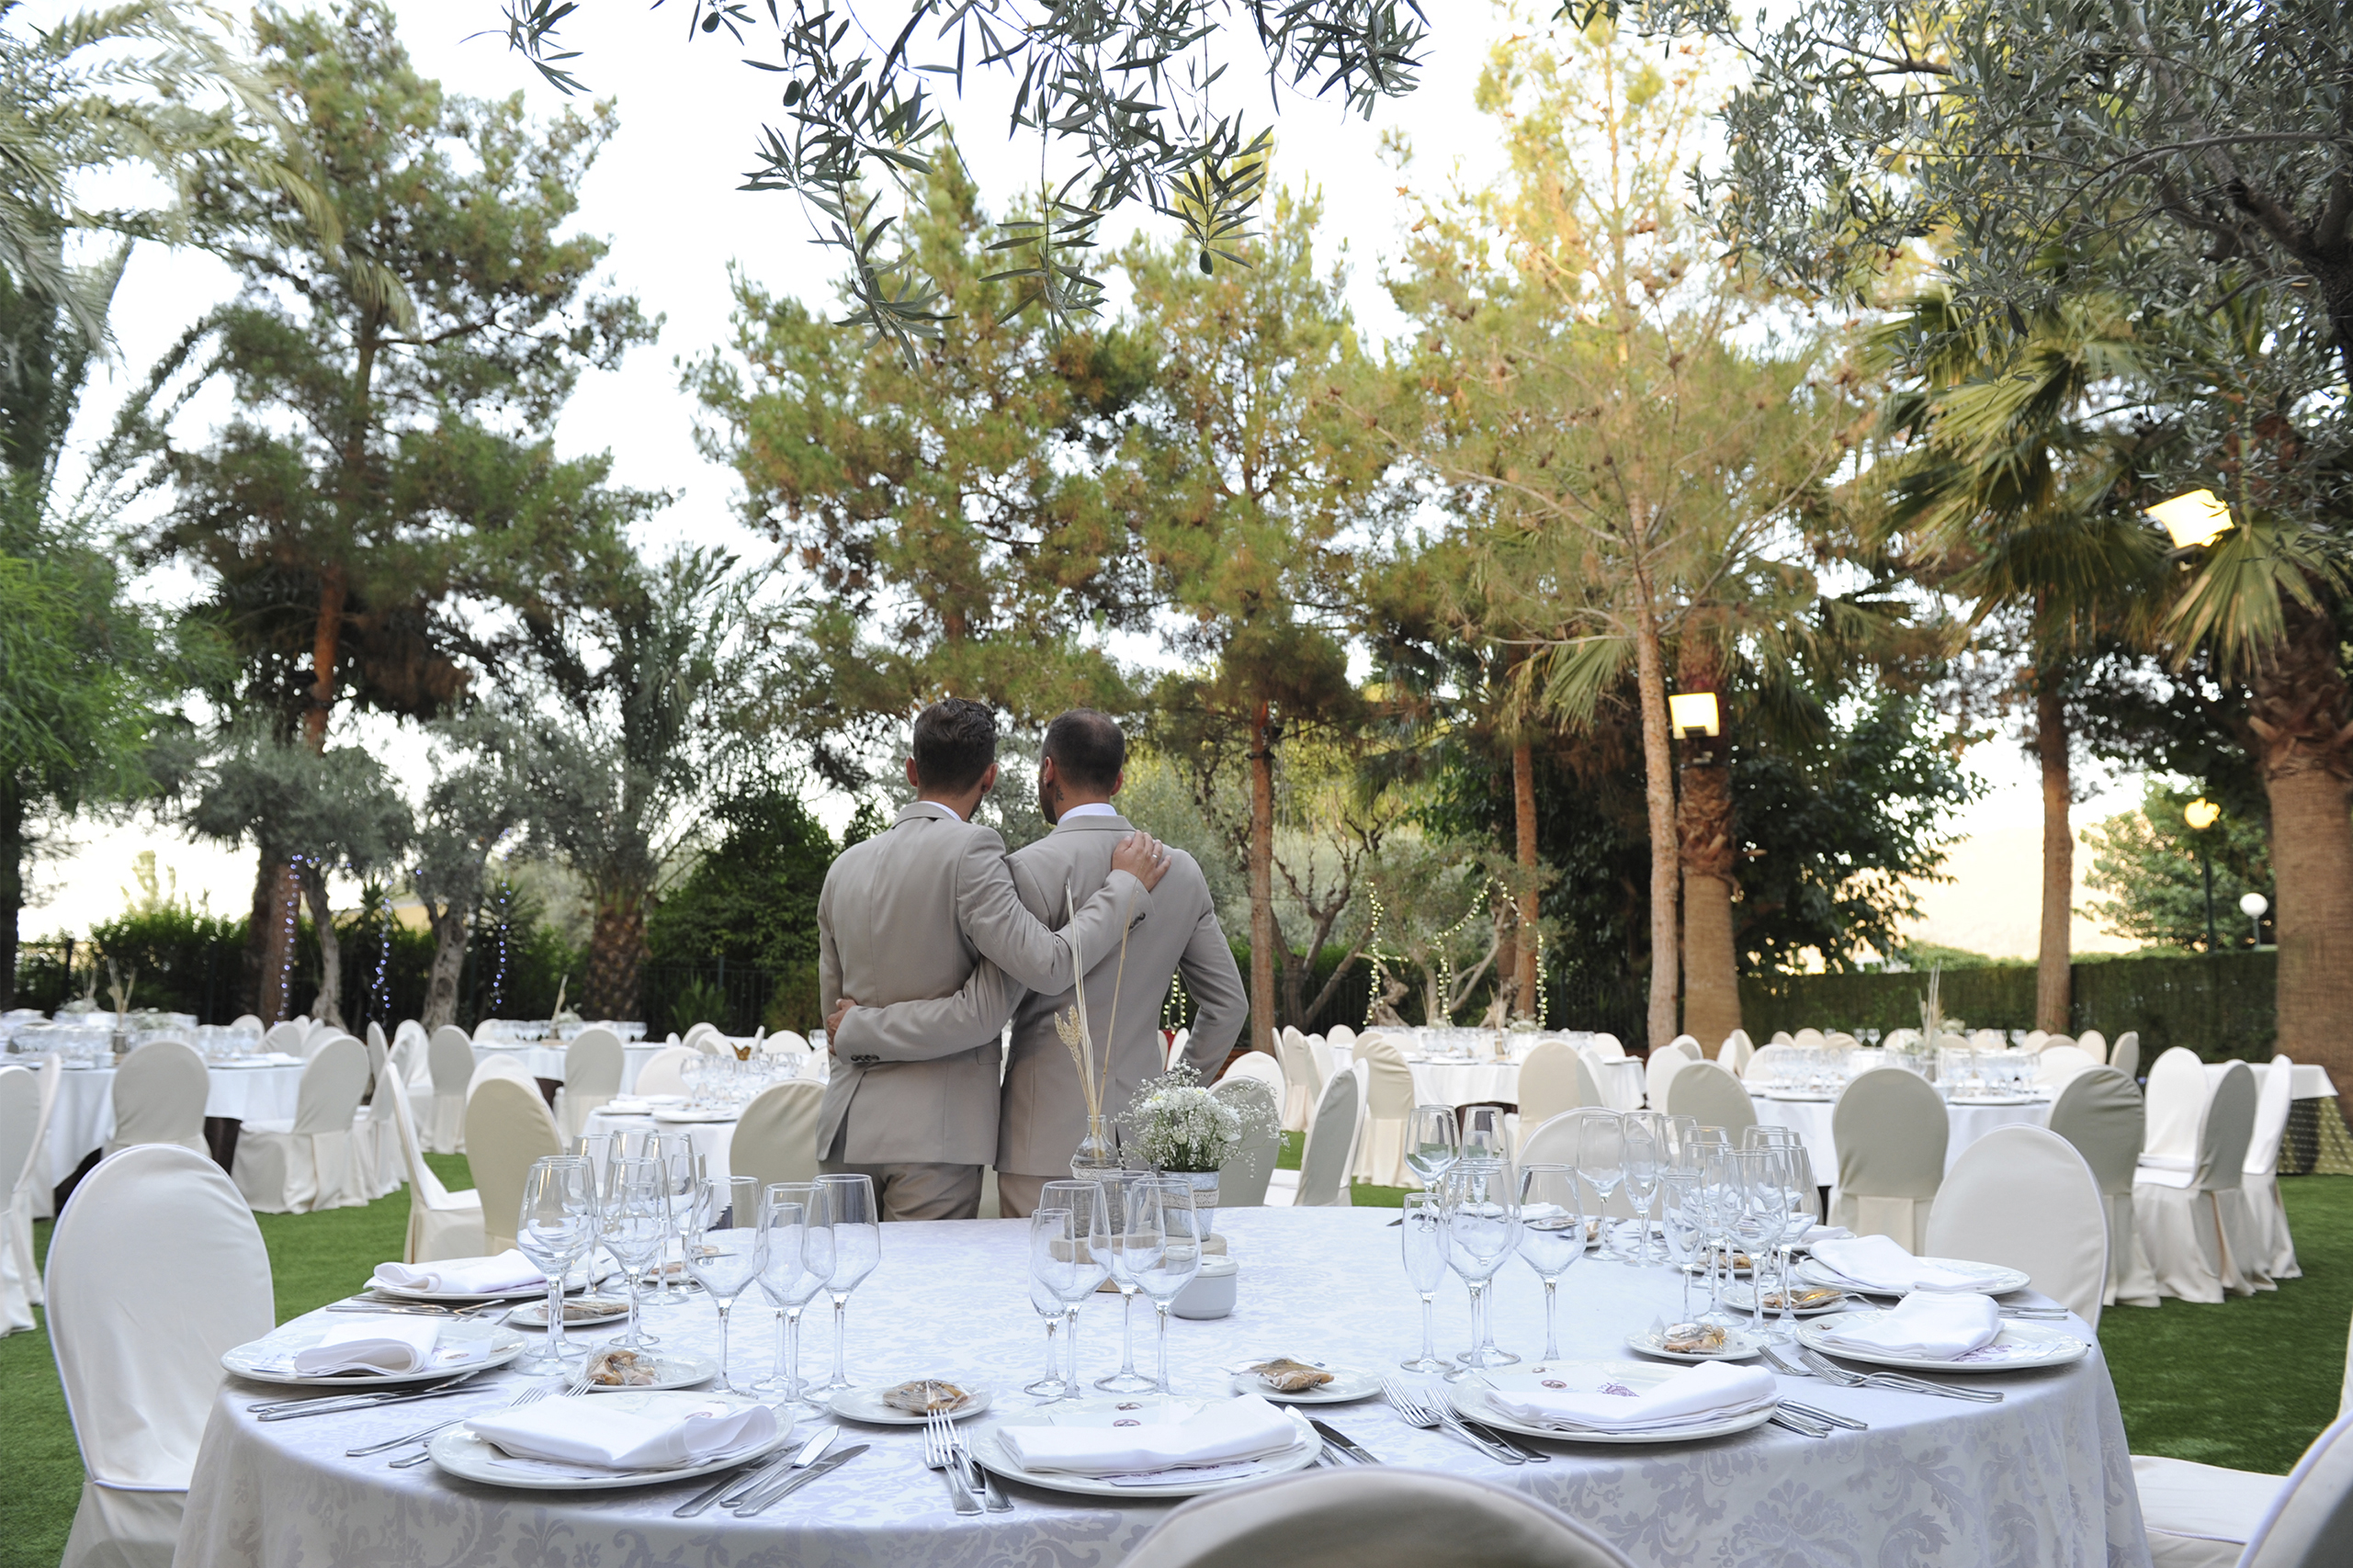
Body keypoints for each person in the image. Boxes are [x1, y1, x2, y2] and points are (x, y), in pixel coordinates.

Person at [830, 708, 1246, 1218]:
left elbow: (988, 1006)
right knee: (1131, 1287)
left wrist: (858, 1027)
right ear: (1118, 779)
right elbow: (1228, 1006)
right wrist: (1170, 1104)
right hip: (1142, 1140)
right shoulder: (1179, 870)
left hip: (1038, 1141)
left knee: (1048, 1290)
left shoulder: (1023, 869)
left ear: (1047, 771)